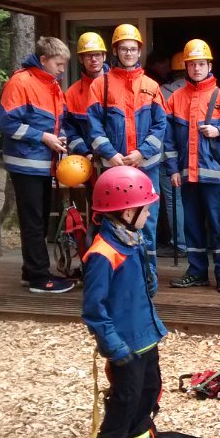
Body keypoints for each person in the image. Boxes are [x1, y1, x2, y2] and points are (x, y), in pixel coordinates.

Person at [81, 166, 166, 438]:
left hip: (146, 335)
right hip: (124, 343)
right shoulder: (103, 253)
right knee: (126, 396)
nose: (149, 214)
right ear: (128, 213)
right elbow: (93, 309)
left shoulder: (133, 240)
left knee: (150, 391)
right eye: (146, 208)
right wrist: (114, 348)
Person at [164, 39, 220, 294]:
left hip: (215, 178)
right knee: (191, 227)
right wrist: (172, 170)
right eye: (192, 64)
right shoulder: (175, 99)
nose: (197, 68)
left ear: (209, 65)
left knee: (218, 226)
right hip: (187, 177)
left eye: (201, 64)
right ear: (186, 67)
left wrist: (219, 131)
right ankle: (197, 272)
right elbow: (168, 140)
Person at [85, 24, 166, 288]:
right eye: (124, 48)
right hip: (114, 169)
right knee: (113, 221)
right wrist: (110, 155)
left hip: (146, 168)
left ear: (139, 51)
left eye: (133, 49)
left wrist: (142, 153)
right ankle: (117, 277)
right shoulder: (100, 85)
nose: (129, 53)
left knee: (146, 222)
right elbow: (94, 126)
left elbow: (160, 125)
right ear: (116, 51)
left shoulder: (151, 86)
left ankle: (148, 278)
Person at [0, 36, 74, 294]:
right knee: (33, 222)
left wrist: (60, 136)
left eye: (64, 65)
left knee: (39, 219)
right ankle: (40, 279)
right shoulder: (20, 82)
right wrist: (44, 137)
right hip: (25, 164)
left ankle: (30, 272)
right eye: (58, 64)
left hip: (43, 164)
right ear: (43, 60)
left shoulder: (51, 84)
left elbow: (57, 122)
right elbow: (7, 124)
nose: (62, 69)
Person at [158, 51, 187, 258]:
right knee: (189, 200)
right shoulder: (199, 93)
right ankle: (191, 243)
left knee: (173, 200)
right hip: (191, 155)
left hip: (165, 155)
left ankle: (180, 244)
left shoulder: (163, 92)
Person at [64, 32, 108, 158]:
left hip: (118, 158)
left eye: (97, 54)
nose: (93, 59)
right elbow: (69, 131)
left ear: (104, 56)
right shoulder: (72, 94)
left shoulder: (118, 86)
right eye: (89, 55)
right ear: (81, 59)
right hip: (87, 159)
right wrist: (85, 153)